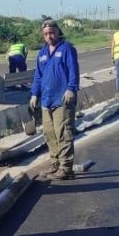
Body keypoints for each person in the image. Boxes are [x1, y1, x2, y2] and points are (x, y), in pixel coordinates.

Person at [29, 19, 80, 180]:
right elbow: (38, 76)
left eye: (52, 32)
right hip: (46, 100)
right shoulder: (42, 53)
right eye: (46, 34)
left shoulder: (67, 49)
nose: (49, 36)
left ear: (58, 32)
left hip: (62, 99)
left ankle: (66, 168)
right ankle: (55, 163)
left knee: (63, 133)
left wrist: (71, 88)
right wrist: (34, 93)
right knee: (49, 134)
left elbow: (73, 69)